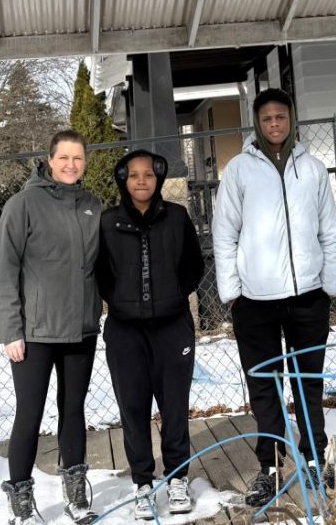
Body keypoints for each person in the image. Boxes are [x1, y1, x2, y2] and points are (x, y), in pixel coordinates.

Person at [212, 87, 336, 507]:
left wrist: (329, 284)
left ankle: (313, 459)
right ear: (257, 122)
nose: (274, 124)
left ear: (291, 120)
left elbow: (329, 230)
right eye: (266, 118)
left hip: (308, 297)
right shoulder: (239, 171)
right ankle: (269, 467)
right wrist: (233, 292)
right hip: (255, 302)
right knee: (264, 386)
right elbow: (224, 233)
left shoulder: (314, 170)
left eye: (280, 117)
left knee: (308, 384)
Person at [0, 130, 102, 525]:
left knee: (73, 410)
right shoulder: (22, 205)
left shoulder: (92, 205)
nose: (71, 164)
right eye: (64, 158)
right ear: (50, 160)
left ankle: (75, 494)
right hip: (34, 334)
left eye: (78, 158)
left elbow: (102, 267)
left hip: (81, 330)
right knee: (30, 413)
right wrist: (10, 330)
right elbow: (4, 270)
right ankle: (21, 502)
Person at [96, 150, 204, 520]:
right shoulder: (108, 222)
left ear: (158, 178)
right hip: (126, 332)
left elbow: (194, 264)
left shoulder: (176, 217)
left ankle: (177, 478)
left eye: (148, 175)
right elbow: (99, 271)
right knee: (134, 408)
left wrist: (173, 295)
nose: (141, 181)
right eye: (133, 175)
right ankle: (143, 482)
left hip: (172, 328)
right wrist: (120, 300)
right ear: (123, 180)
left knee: (174, 407)